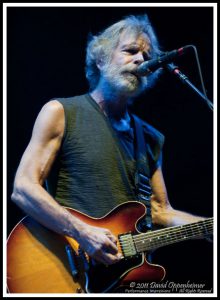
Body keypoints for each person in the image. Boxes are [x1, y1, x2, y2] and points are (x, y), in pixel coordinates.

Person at [11, 14, 211, 280]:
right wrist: (81, 231)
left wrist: (208, 227)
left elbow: (160, 211)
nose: (142, 60)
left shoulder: (150, 138)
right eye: (131, 51)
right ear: (101, 59)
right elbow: (23, 188)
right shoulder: (61, 112)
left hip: (125, 277)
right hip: (65, 265)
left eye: (146, 54)